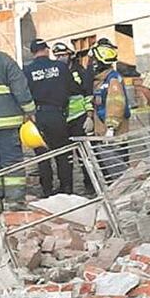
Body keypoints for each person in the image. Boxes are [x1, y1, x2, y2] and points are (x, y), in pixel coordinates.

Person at [0, 25, 36, 210]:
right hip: (8, 122)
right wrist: (30, 111)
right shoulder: (4, 60)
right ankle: (14, 201)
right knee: (11, 160)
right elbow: (20, 88)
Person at [23, 39, 76, 197]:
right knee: (62, 153)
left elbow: (24, 93)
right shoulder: (60, 67)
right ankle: (66, 188)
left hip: (38, 116)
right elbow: (71, 88)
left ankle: (47, 190)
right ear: (46, 50)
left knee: (42, 155)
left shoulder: (27, 70)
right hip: (57, 114)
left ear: (33, 52)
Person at [52, 42, 96, 195]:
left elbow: (87, 94)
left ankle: (91, 184)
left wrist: (89, 116)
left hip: (79, 117)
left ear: (70, 54)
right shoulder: (55, 72)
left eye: (63, 55)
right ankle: (66, 187)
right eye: (57, 56)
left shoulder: (79, 71)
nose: (60, 58)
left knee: (85, 155)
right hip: (63, 119)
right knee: (65, 157)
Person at [90, 40, 130, 182]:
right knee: (108, 168)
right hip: (103, 130)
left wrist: (111, 128)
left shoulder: (112, 80)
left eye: (94, 60)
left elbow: (116, 104)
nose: (92, 63)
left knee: (117, 169)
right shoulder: (101, 80)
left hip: (114, 133)